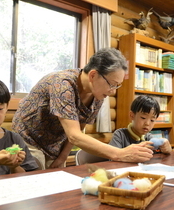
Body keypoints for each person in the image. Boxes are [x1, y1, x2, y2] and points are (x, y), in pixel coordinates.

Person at [12, 48, 154, 169]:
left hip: (53, 144)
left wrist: (62, 158)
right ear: (93, 75)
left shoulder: (98, 95)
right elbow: (74, 135)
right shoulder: (62, 84)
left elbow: (77, 131)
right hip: (28, 138)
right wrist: (119, 153)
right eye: (112, 84)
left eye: (117, 85)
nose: (113, 91)